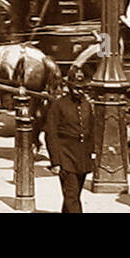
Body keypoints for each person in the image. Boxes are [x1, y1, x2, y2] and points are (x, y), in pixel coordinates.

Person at [46, 66, 95, 212]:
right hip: (66, 157)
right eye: (76, 88)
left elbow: (92, 130)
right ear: (70, 87)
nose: (80, 91)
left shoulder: (86, 104)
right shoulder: (58, 105)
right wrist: (55, 161)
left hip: (82, 158)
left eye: (83, 88)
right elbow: (51, 134)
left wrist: (92, 153)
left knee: (73, 195)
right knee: (72, 196)